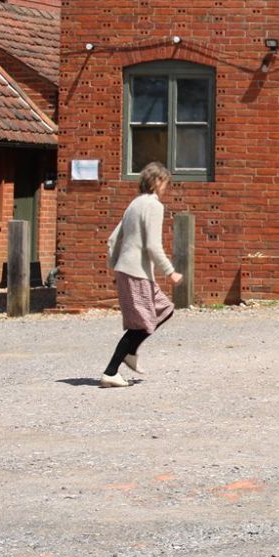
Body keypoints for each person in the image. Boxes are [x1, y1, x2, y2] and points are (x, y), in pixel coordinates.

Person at [100, 162, 185, 388]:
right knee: (141, 324)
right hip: (136, 272)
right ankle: (110, 371)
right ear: (157, 182)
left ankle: (131, 352)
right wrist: (171, 272)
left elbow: (113, 238)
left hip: (127, 270)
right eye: (166, 182)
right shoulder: (154, 206)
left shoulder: (134, 204)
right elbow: (153, 246)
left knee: (164, 309)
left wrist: (115, 266)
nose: (166, 187)